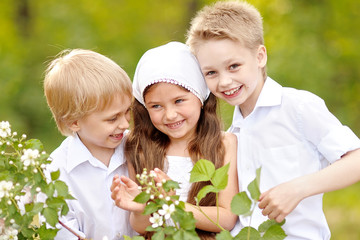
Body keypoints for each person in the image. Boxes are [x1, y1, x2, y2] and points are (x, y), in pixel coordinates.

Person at [186, 1, 360, 239]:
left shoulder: (297, 107)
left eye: (234, 66)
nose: (224, 81)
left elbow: (356, 159)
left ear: (260, 56)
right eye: (211, 73)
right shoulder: (230, 133)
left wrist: (298, 188)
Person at [110, 41, 238, 239]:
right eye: (156, 106)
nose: (170, 115)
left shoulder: (224, 144)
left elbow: (227, 218)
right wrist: (139, 208)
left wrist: (174, 205)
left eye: (179, 101)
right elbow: (143, 228)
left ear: (200, 96)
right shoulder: (139, 147)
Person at [43, 49, 137, 240]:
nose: (125, 124)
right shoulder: (56, 171)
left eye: (127, 111)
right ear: (74, 122)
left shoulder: (138, 147)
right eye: (112, 119)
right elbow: (61, 231)